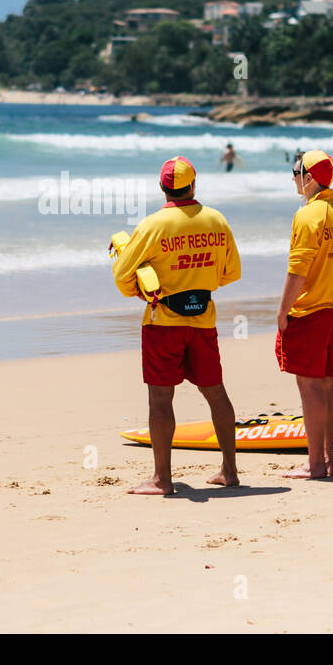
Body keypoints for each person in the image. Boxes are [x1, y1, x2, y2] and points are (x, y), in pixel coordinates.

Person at [111, 156, 242, 496]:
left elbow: (123, 276)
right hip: (203, 320)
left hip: (163, 322)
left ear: (162, 187)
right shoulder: (216, 220)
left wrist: (142, 292)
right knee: (215, 393)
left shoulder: (152, 226)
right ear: (193, 185)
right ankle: (229, 470)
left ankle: (162, 480)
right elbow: (231, 273)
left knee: (160, 399)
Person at [276, 151, 333, 480]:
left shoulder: (309, 216)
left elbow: (298, 270)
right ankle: (329, 457)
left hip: (310, 310)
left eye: (296, 172)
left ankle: (315, 464)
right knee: (331, 384)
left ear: (309, 177)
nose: (293, 177)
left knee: (310, 388)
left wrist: (282, 311)